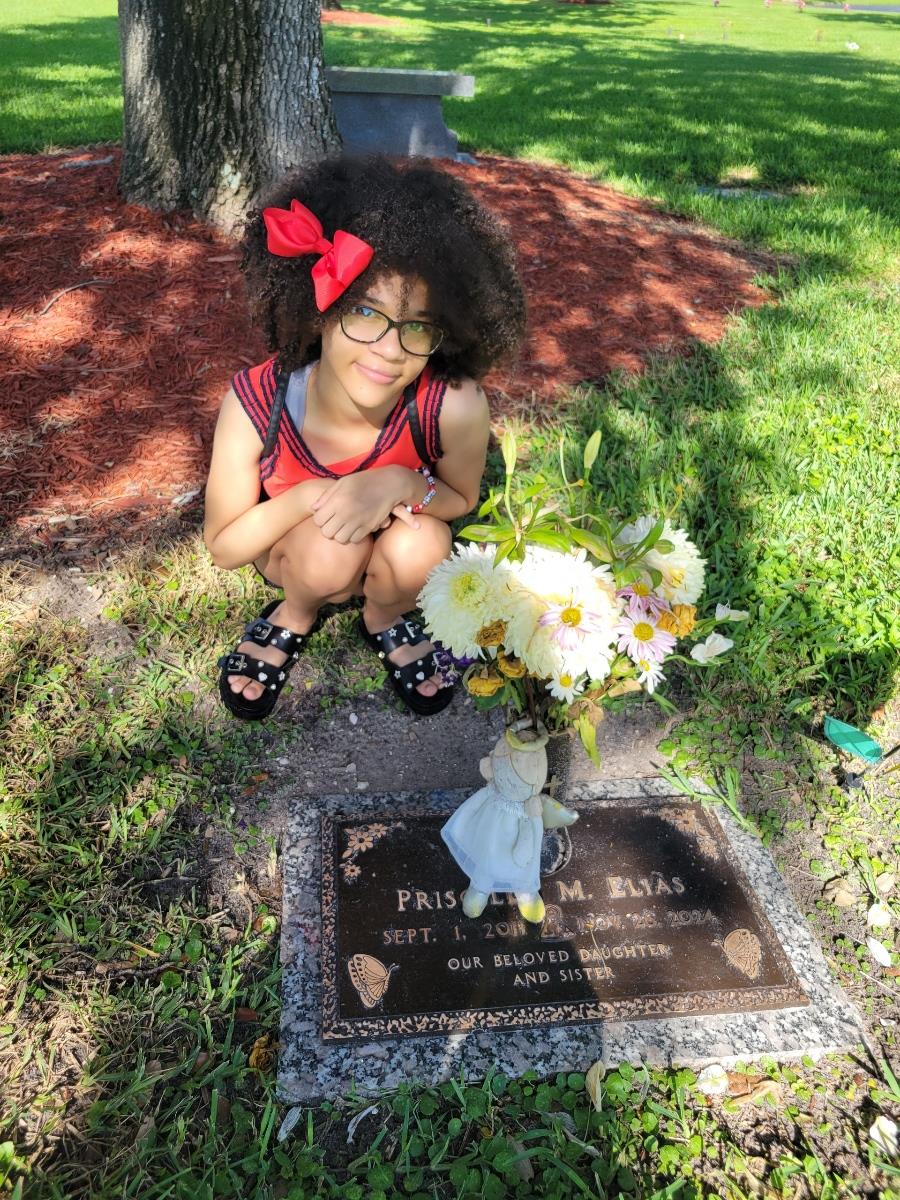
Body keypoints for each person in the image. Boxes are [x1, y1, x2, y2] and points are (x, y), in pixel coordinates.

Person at [204, 155, 526, 720]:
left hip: (395, 543)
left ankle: (385, 613)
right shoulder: (258, 400)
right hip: (298, 554)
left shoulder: (451, 405)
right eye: (365, 313)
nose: (390, 349)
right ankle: (296, 612)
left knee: (426, 545)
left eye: (418, 326)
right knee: (329, 552)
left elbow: (460, 499)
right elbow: (225, 546)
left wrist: (399, 482)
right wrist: (310, 498)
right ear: (318, 310)